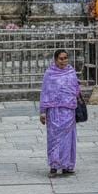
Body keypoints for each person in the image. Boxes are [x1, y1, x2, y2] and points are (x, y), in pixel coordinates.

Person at [39, 49, 81, 177]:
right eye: (61, 59)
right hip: (54, 111)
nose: (63, 61)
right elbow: (45, 92)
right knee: (54, 139)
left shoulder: (71, 72)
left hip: (68, 110)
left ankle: (67, 165)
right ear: (55, 60)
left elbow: (76, 90)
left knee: (68, 140)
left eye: (65, 58)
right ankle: (54, 166)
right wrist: (42, 112)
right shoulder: (49, 74)